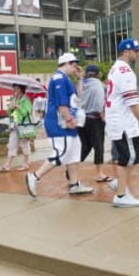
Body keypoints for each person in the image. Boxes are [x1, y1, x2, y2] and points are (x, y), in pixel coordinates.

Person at [25, 53, 94, 197]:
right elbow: (61, 104)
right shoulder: (59, 78)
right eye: (74, 65)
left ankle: (74, 184)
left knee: (74, 153)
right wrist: (69, 120)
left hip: (67, 121)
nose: (76, 68)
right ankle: (35, 176)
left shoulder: (66, 79)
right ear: (66, 63)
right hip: (59, 123)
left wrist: (80, 78)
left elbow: (78, 97)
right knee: (61, 152)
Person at [105, 39, 139, 208]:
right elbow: (131, 100)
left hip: (121, 121)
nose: (137, 54)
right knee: (127, 158)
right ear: (126, 52)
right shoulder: (124, 70)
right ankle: (121, 195)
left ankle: (119, 183)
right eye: (135, 51)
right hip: (123, 122)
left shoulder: (116, 68)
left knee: (135, 155)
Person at [79, 65, 112, 182]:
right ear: (98, 74)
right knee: (98, 146)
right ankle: (99, 174)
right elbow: (99, 103)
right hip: (95, 119)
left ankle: (71, 169)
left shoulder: (81, 83)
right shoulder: (98, 85)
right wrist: (103, 117)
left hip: (81, 120)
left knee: (85, 146)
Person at [0, 84, 33, 172]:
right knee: (12, 144)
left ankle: (25, 164)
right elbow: (8, 112)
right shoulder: (14, 99)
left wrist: (18, 107)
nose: (15, 90)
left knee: (25, 144)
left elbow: (27, 112)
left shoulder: (26, 100)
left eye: (17, 88)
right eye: (14, 88)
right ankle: (7, 165)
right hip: (14, 124)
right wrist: (11, 108)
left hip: (23, 125)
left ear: (21, 89)